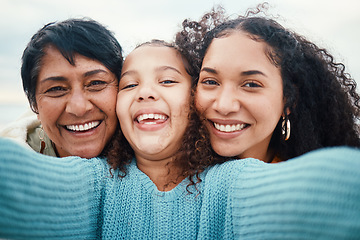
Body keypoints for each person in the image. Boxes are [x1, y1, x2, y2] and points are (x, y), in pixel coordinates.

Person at [1, 39, 360, 239]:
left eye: (168, 81)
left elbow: (318, 193)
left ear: (194, 101)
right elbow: (22, 187)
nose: (146, 93)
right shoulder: (95, 181)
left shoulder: (229, 184)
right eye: (129, 85)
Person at [175, 4, 360, 163]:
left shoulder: (314, 189)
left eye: (251, 85)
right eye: (210, 81)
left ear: (288, 99)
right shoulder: (165, 183)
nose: (224, 105)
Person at [0, 18, 123, 158]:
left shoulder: (147, 146)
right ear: (34, 104)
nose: (79, 108)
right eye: (56, 89)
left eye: (95, 83)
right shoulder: (9, 169)